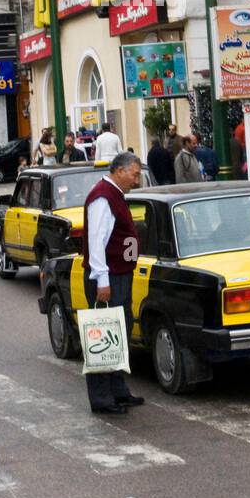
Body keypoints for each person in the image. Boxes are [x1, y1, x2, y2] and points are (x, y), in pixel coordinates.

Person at [82, 152, 145, 415]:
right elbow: (97, 242)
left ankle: (118, 390)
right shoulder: (102, 197)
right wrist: (103, 281)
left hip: (120, 274)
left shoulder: (115, 195)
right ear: (119, 170)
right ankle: (102, 398)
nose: (137, 179)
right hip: (108, 279)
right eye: (134, 173)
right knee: (102, 335)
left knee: (119, 333)